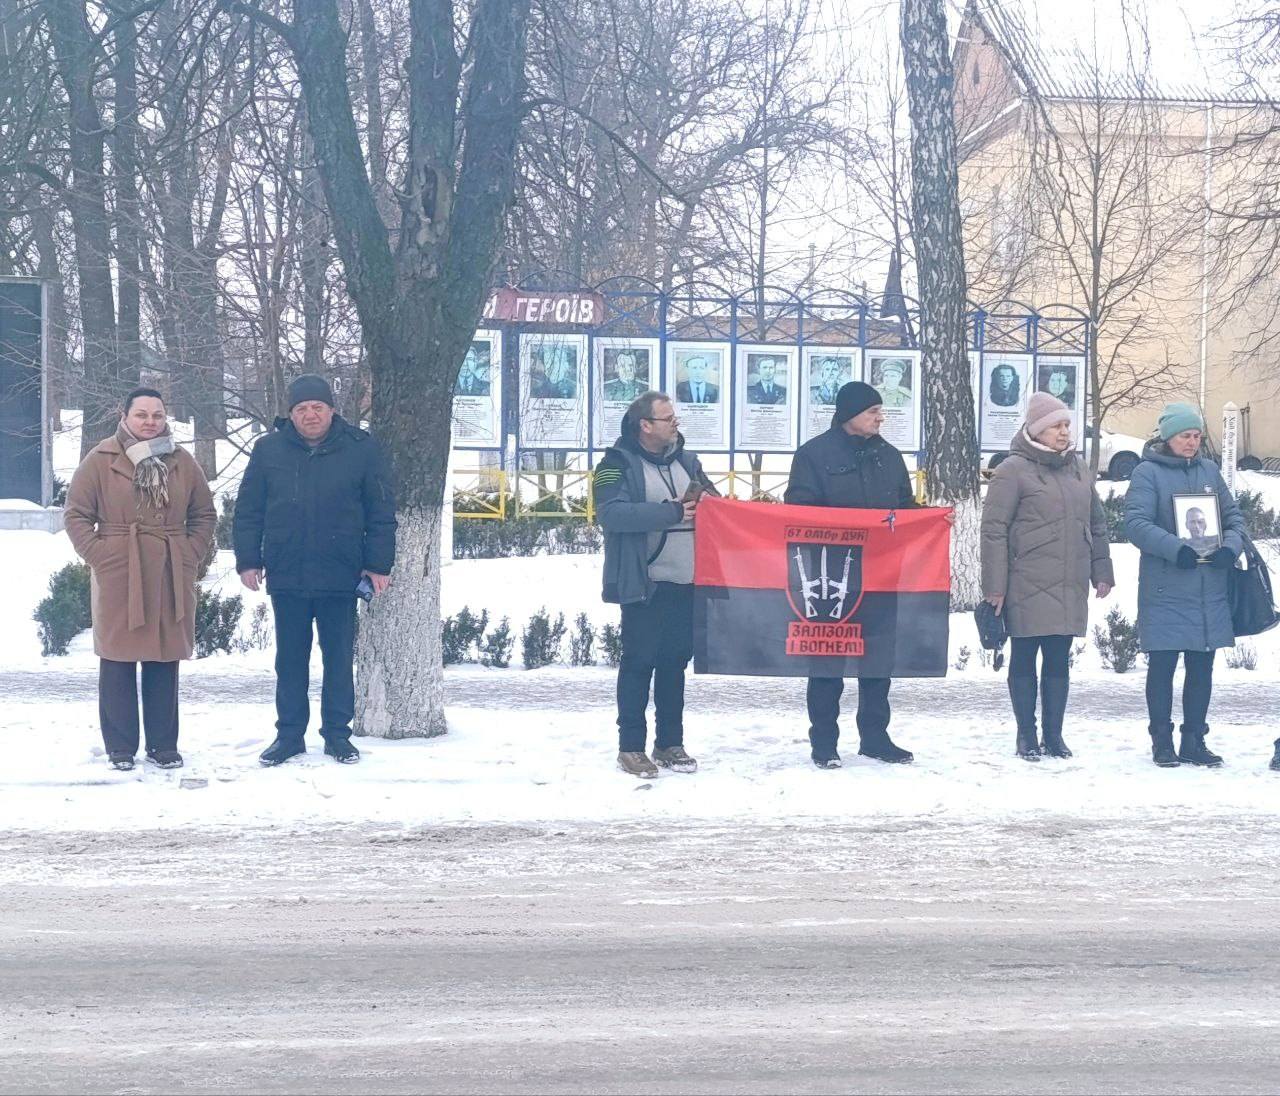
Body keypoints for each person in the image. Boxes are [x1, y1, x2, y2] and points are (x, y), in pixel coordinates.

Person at [233, 375, 397, 766]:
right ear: (290, 414)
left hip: (340, 573)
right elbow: (249, 510)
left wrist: (377, 564)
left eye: (317, 407)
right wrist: (248, 560)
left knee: (338, 658)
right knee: (290, 659)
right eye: (302, 409)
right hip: (287, 572)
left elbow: (380, 512)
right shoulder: (268, 449)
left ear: (332, 410)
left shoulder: (361, 449)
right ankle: (289, 736)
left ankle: (338, 736)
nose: (310, 415)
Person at [64, 387, 216, 771]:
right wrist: (102, 557)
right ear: (126, 416)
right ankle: (120, 746)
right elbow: (76, 515)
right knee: (117, 656)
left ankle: (164, 745)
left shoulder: (182, 460)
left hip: (169, 568)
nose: (150, 422)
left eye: (157, 416)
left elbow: (204, 514)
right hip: (120, 569)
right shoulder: (100, 459)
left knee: (164, 656)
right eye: (142, 415)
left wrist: (188, 553)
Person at [784, 381, 920, 769]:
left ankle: (875, 737)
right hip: (830, 577)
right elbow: (799, 512)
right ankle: (824, 742)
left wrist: (930, 517)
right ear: (849, 415)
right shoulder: (813, 455)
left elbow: (903, 508)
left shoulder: (889, 456)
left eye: (880, 411)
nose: (880, 418)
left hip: (881, 574)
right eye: (872, 412)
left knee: (878, 661)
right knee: (827, 662)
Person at [981, 392, 1114, 761]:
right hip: (1025, 580)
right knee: (1024, 655)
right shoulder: (1012, 470)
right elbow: (993, 531)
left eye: (1066, 425)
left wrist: (1101, 570)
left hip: (1068, 579)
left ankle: (1054, 736)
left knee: (1058, 658)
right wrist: (994, 588)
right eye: (1056, 425)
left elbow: (1096, 523)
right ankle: (1027, 735)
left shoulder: (1078, 468)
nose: (1063, 432)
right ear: (1037, 430)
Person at [595, 391, 717, 779]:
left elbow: (715, 503)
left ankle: (669, 743)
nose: (675, 424)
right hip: (645, 582)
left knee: (673, 665)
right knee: (638, 664)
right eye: (668, 419)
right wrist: (672, 512)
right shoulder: (616, 464)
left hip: (687, 581)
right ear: (645, 425)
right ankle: (630, 747)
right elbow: (612, 514)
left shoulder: (688, 461)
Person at [1124, 402, 1245, 768]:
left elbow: (1234, 518)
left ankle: (1194, 739)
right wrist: (1176, 548)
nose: (1191, 442)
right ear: (1167, 438)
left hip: (1209, 588)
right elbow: (1136, 524)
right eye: (1184, 436)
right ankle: (1162, 740)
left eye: (1196, 436)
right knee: (1162, 666)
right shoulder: (1148, 473)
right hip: (1166, 587)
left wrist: (1230, 547)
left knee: (1201, 667)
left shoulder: (1209, 470)